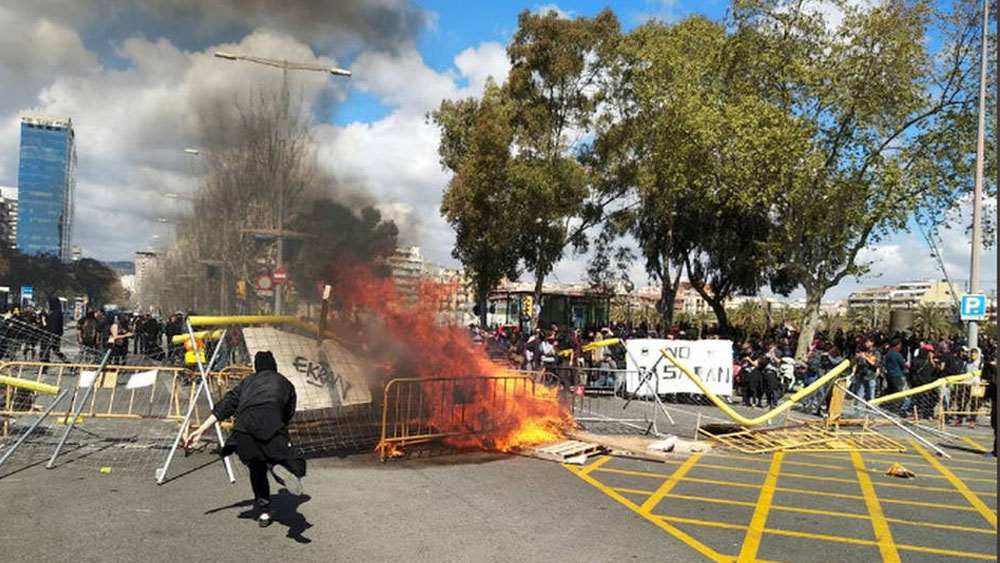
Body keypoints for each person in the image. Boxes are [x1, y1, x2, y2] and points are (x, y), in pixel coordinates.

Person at [184, 351, 306, 527]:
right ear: (274, 365)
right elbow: (288, 412)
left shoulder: (247, 382)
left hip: (243, 429)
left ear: (256, 367)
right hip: (270, 422)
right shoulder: (285, 383)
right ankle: (278, 468)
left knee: (256, 468)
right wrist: (279, 430)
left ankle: (264, 511)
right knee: (291, 461)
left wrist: (201, 430)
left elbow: (225, 406)